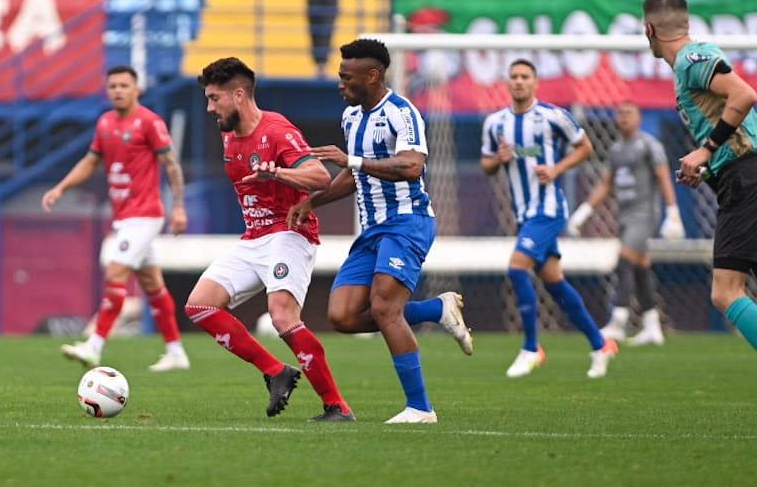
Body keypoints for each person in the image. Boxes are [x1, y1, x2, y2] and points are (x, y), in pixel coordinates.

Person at [287, 38, 474, 425]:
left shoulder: (402, 113)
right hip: (372, 231)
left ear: (371, 76)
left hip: (407, 222)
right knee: (342, 316)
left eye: (345, 77)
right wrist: (312, 201)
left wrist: (352, 159)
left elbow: (411, 167)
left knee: (386, 308)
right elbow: (353, 176)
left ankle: (421, 408)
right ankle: (436, 309)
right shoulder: (351, 117)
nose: (339, 84)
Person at [185, 57, 356, 421]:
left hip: (289, 233)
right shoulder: (228, 132)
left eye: (215, 98)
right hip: (254, 237)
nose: (209, 107)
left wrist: (277, 173)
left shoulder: (277, 130)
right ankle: (276, 371)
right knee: (199, 306)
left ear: (240, 94)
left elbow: (320, 177)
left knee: (281, 317)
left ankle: (337, 406)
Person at [42, 65, 191, 373]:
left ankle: (94, 346)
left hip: (146, 214)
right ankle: (176, 352)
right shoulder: (105, 123)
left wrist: (178, 207)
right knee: (153, 285)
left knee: (115, 271)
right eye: (113, 86)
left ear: (137, 89)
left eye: (124, 85)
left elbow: (171, 164)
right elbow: (90, 161)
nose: (118, 90)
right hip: (124, 216)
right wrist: (60, 188)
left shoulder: (149, 122)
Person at [481, 58, 618, 378]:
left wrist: (557, 169)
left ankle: (531, 348)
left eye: (524, 76)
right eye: (513, 76)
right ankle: (601, 344)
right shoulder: (496, 123)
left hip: (549, 210)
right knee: (555, 284)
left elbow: (584, 148)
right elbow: (487, 165)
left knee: (516, 270)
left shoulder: (553, 116)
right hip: (523, 214)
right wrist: (498, 161)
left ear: (535, 82)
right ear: (507, 81)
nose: (518, 81)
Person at [642, 0, 757, 350]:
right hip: (739, 174)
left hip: (747, 178)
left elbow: (744, 94)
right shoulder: (690, 66)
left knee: (726, 291)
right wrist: (705, 168)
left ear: (649, 29)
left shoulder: (694, 58)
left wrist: (705, 150)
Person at [567, 101, 684, 345]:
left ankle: (618, 320)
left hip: (644, 215)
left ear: (639, 118)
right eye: (620, 114)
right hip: (625, 216)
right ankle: (652, 326)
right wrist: (584, 211)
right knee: (640, 267)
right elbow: (605, 184)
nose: (623, 118)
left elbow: (663, 177)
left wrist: (673, 212)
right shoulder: (616, 149)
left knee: (624, 260)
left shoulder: (649, 145)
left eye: (629, 114)